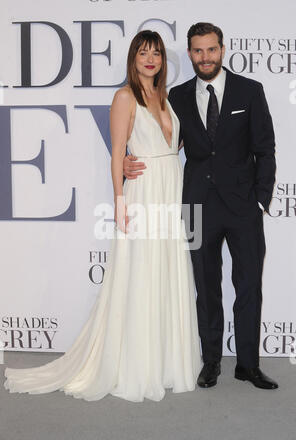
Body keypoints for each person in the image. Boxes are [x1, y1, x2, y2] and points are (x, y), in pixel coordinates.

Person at [3, 30, 202, 402]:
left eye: (156, 53)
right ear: (133, 58)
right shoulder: (124, 97)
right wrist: (119, 198)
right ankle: (136, 363)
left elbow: (172, 143)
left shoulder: (168, 97)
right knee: (141, 270)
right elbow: (116, 152)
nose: (150, 59)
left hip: (171, 189)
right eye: (143, 52)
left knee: (167, 269)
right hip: (142, 194)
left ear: (163, 61)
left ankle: (164, 360)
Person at [123, 23, 278, 390]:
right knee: (205, 287)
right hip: (195, 205)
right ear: (190, 53)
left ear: (222, 50)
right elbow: (160, 142)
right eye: (197, 51)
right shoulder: (174, 96)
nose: (205, 57)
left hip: (243, 206)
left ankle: (248, 364)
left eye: (211, 50)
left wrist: (261, 197)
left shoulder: (250, 91)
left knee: (249, 285)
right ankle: (210, 362)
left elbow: (265, 148)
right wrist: (129, 160)